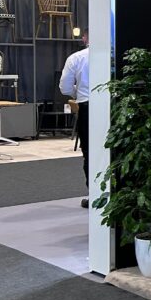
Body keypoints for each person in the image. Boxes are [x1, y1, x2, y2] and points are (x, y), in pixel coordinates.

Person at [59, 32, 90, 208]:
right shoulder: (114, 54)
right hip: (115, 106)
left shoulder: (76, 58)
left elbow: (65, 88)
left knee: (90, 153)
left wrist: (78, 93)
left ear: (85, 38)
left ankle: (95, 195)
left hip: (87, 107)